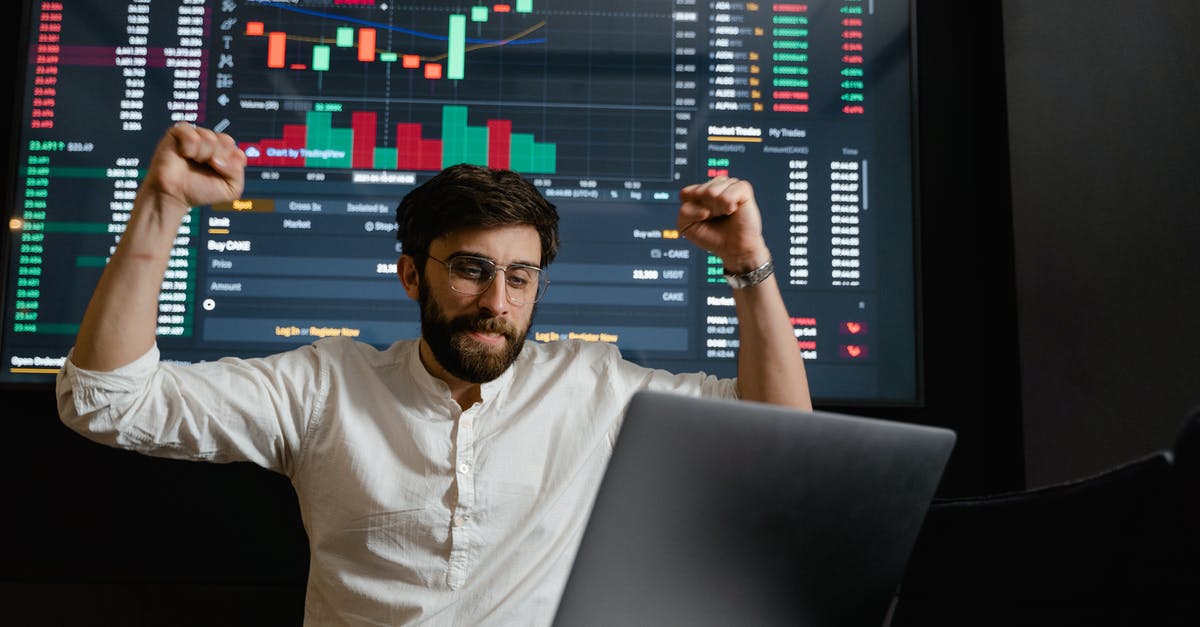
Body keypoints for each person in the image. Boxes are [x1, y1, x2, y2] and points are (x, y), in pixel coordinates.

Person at [57, 123, 811, 625]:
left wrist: (747, 262)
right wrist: (161, 202)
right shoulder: (324, 386)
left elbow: (780, 435)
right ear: (413, 275)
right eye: (473, 270)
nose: (497, 301)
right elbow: (108, 399)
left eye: (521, 277)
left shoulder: (596, 384)